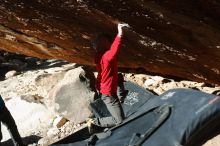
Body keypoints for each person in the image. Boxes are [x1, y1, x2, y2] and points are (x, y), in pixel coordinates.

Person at [89, 23, 129, 129]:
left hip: (105, 88)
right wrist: (120, 33)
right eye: (108, 42)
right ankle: (95, 122)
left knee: (119, 78)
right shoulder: (107, 56)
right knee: (120, 120)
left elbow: (97, 47)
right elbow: (114, 49)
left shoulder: (98, 55)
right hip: (108, 94)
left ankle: (121, 96)